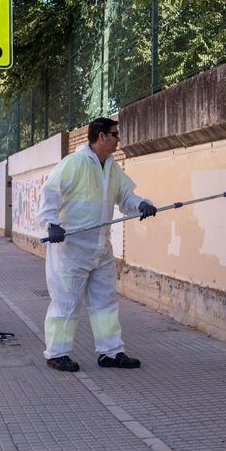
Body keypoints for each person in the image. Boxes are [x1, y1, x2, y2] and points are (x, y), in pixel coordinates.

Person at [39, 117, 158, 372]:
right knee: (66, 303)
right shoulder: (75, 163)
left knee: (105, 303)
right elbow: (50, 192)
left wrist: (141, 205)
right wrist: (51, 223)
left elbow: (126, 196)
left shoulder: (112, 167)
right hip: (71, 248)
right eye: (115, 134)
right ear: (101, 136)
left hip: (101, 248)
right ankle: (57, 354)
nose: (118, 139)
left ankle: (111, 353)